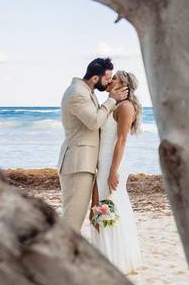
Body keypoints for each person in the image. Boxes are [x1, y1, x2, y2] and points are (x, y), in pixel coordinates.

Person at [57, 58, 127, 232]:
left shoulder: (86, 92)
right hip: (77, 164)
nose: (110, 82)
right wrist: (111, 100)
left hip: (83, 163)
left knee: (75, 219)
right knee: (73, 220)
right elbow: (94, 121)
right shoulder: (77, 93)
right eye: (107, 78)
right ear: (95, 78)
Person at [89, 70, 143, 273]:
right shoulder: (113, 105)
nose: (110, 80)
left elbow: (122, 140)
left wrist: (113, 171)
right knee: (98, 204)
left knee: (110, 205)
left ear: (124, 85)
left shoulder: (126, 107)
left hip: (113, 165)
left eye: (115, 78)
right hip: (103, 164)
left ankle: (115, 261)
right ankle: (105, 257)